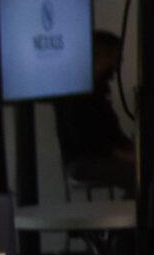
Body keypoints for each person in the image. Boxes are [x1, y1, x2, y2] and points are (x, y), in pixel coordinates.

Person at [54, 29, 137, 191]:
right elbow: (87, 140)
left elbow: (111, 133)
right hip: (83, 162)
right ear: (98, 56)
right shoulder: (76, 91)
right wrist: (125, 155)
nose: (116, 64)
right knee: (138, 175)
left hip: (98, 157)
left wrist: (130, 148)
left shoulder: (99, 90)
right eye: (112, 57)